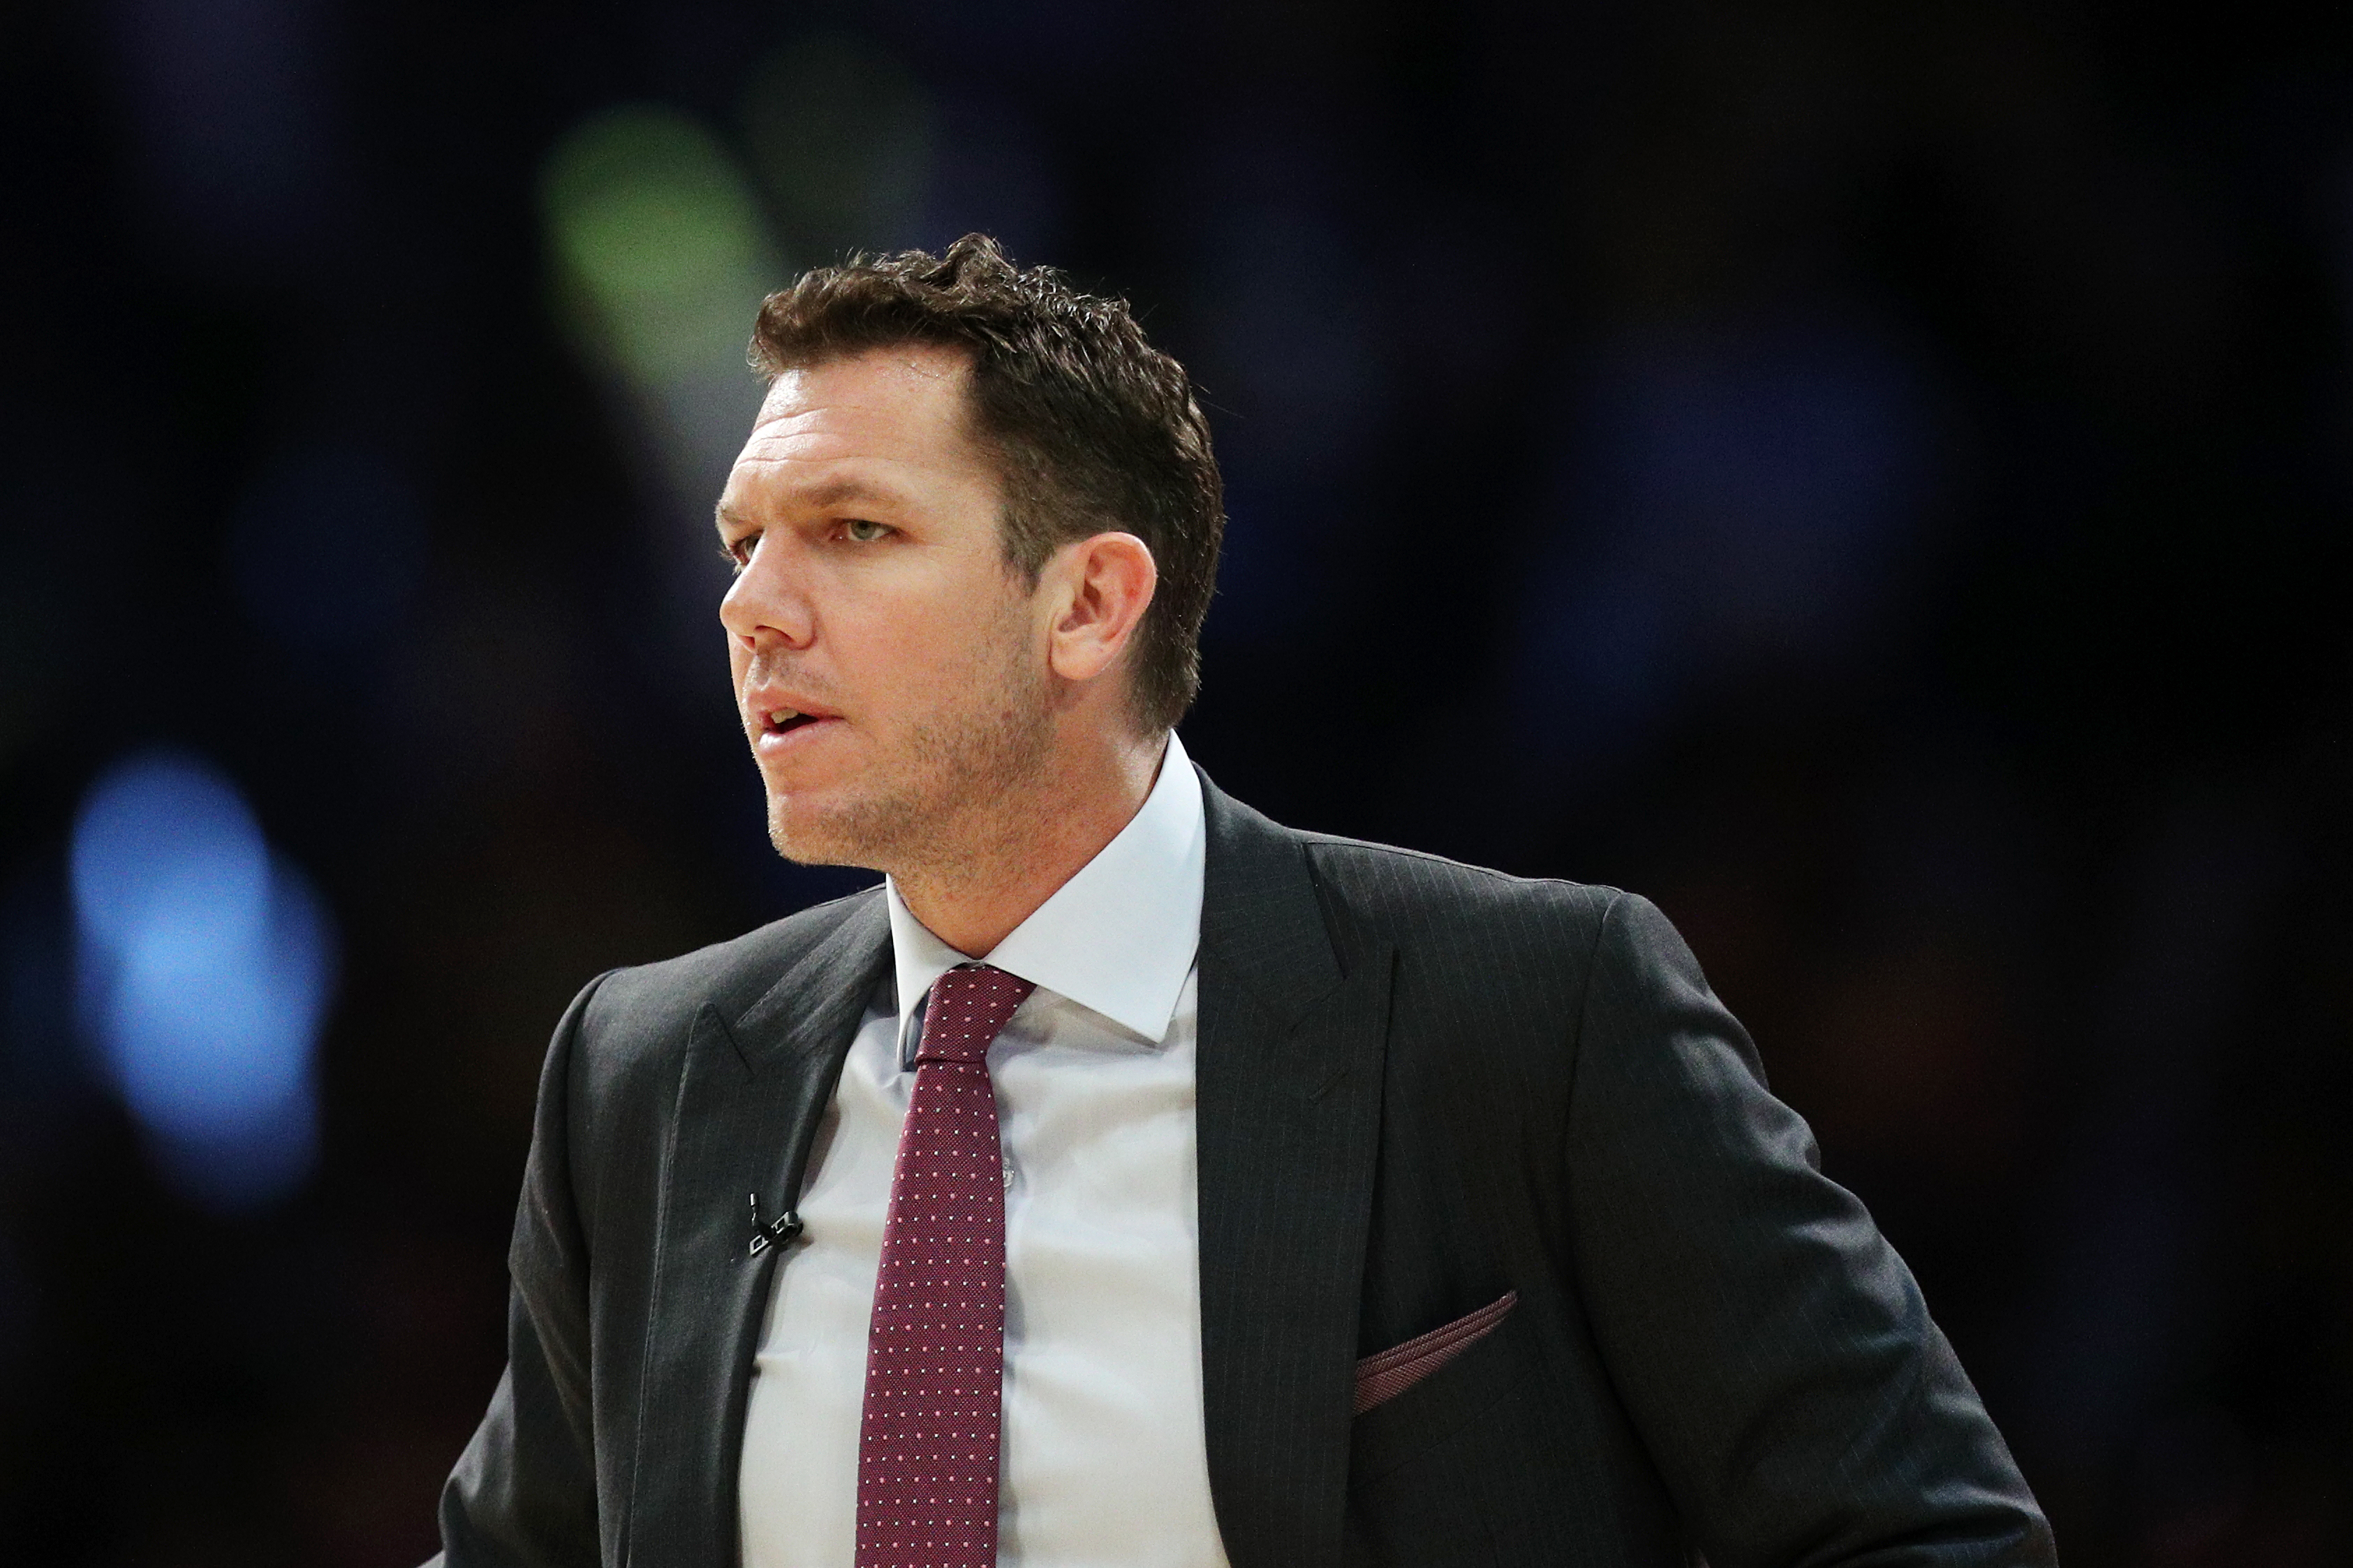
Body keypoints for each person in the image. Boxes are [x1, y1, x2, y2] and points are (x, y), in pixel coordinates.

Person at [433, 235, 2057, 1568]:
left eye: (853, 531)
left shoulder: (1527, 1012)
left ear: (1086, 602)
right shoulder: (646, 1071)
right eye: (740, 542)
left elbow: (1923, 1531)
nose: (755, 608)